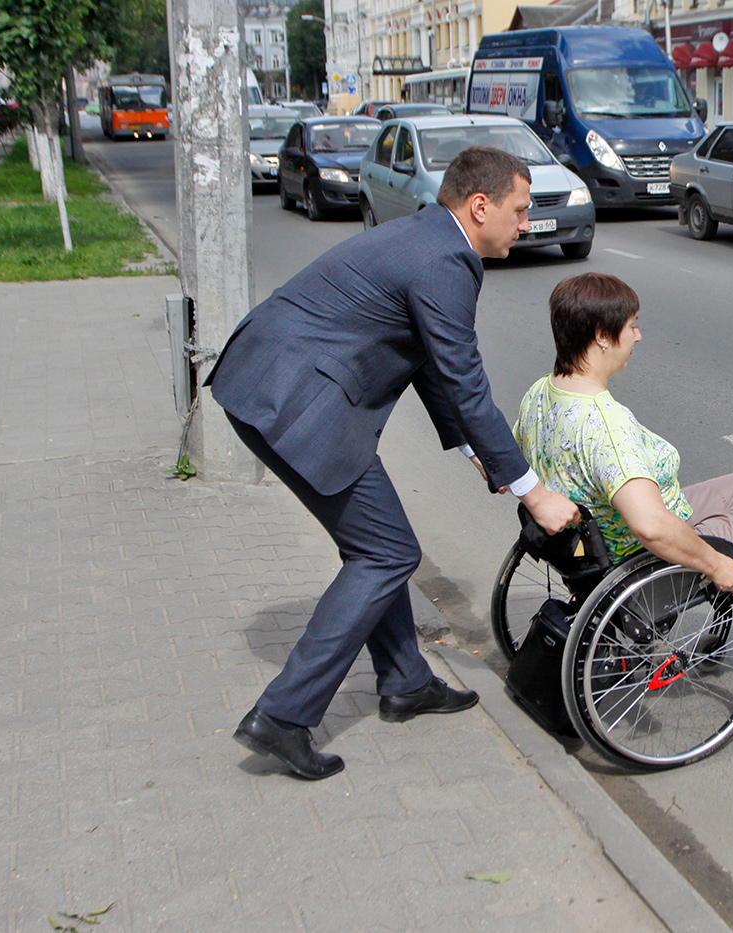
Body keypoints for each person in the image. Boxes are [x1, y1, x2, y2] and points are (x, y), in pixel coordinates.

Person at [206, 146, 580, 780]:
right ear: (480, 205)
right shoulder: (446, 260)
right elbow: (464, 382)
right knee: (384, 553)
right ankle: (284, 716)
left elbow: (433, 367)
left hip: (271, 383)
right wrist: (530, 489)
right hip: (298, 404)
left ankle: (405, 681)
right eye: (519, 211)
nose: (525, 224)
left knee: (384, 546)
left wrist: (474, 453)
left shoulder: (428, 237)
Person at [512, 273, 733, 662]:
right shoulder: (604, 424)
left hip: (592, 540)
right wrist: (716, 564)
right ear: (603, 335)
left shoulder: (541, 392)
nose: (638, 337)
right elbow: (651, 525)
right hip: (638, 560)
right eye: (632, 326)